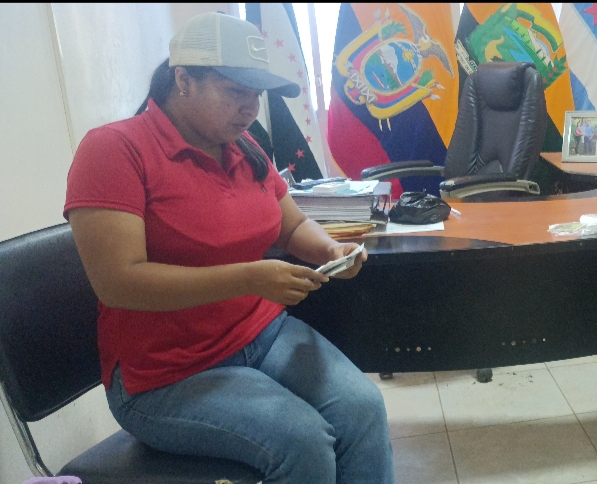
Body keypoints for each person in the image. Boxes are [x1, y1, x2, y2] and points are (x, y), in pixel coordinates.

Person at [63, 13, 393, 483]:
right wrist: (250, 277)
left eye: (255, 95)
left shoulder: (244, 147)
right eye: (235, 92)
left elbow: (292, 225)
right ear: (183, 80)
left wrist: (329, 251)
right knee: (302, 441)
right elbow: (119, 282)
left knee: (363, 408)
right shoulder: (114, 150)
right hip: (165, 374)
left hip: (260, 333)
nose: (249, 109)